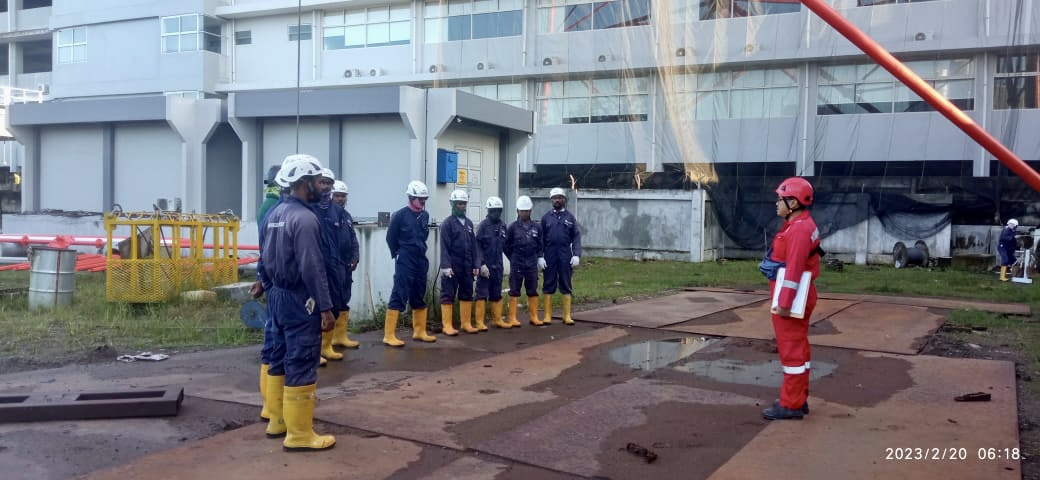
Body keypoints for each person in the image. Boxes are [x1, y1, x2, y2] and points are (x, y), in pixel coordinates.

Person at [258, 154, 336, 450]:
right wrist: (325, 307)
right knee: (302, 359)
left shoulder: (274, 214)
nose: (322, 186)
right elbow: (312, 267)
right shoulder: (304, 219)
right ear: (305, 183)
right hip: (299, 299)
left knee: (278, 357)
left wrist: (266, 286)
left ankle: (278, 421)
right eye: (317, 181)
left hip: (277, 296)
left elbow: (264, 258)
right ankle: (300, 434)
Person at [760, 176, 821, 421]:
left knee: (791, 350)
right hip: (799, 294)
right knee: (799, 347)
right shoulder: (800, 224)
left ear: (793, 203)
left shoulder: (798, 229)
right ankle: (798, 397)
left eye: (780, 199)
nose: (777, 203)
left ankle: (791, 404)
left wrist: (784, 303)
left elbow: (794, 269)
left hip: (792, 296)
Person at [384, 180, 436, 346]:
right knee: (400, 292)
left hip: (420, 258)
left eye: (425, 199)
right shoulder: (399, 215)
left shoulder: (424, 215)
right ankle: (389, 335)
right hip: (405, 258)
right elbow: (390, 238)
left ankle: (419, 331)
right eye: (420, 199)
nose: (423, 202)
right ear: (411, 197)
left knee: (419, 292)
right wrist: (398, 254)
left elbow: (423, 235)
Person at [312, 168, 349, 363]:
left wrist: (348, 258)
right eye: (322, 182)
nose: (325, 186)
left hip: (334, 266)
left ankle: (326, 347)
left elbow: (345, 238)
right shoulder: (310, 208)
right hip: (314, 265)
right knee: (313, 310)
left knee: (333, 305)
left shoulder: (338, 211)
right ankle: (313, 351)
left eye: (328, 183)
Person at [439, 189, 480, 335]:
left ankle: (466, 323)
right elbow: (444, 246)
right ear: (453, 204)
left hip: (467, 266)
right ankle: (447, 326)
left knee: (467, 292)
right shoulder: (447, 224)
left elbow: (474, 246)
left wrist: (476, 264)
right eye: (459, 203)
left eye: (464, 203)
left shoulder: (469, 223)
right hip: (452, 266)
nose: (462, 206)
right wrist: (446, 266)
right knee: (448, 294)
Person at [539, 187, 581, 325]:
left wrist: (576, 254)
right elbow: (541, 239)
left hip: (565, 255)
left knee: (566, 283)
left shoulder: (570, 218)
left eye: (560, 198)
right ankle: (547, 316)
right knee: (548, 283)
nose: (557, 200)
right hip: (549, 255)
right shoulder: (546, 218)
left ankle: (567, 316)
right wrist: (540, 256)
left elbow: (576, 237)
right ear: (551, 200)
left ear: (564, 200)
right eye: (555, 198)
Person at [330, 180, 361, 347]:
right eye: (337, 195)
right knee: (331, 302)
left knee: (344, 299)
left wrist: (355, 258)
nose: (340, 199)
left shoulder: (347, 216)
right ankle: (326, 342)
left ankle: (340, 337)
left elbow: (353, 239)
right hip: (332, 266)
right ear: (331, 196)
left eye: (343, 196)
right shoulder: (326, 215)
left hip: (346, 267)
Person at [504, 195, 543, 327]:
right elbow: (506, 245)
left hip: (531, 262)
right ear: (518, 211)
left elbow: (540, 244)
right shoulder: (512, 227)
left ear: (530, 211)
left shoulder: (537, 227)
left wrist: (539, 257)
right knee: (514, 289)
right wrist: (513, 258)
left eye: (527, 211)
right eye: (522, 211)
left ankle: (534, 317)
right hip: (517, 262)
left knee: (532, 289)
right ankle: (512, 318)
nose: (525, 213)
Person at [475, 196, 510, 330]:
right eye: (493, 210)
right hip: (486, 266)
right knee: (482, 293)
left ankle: (497, 320)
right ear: (488, 211)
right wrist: (481, 264)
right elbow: (477, 246)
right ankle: (479, 322)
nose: (496, 213)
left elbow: (506, 246)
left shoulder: (503, 226)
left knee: (496, 292)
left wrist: (513, 260)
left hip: (498, 265)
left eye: (498, 210)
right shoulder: (483, 226)